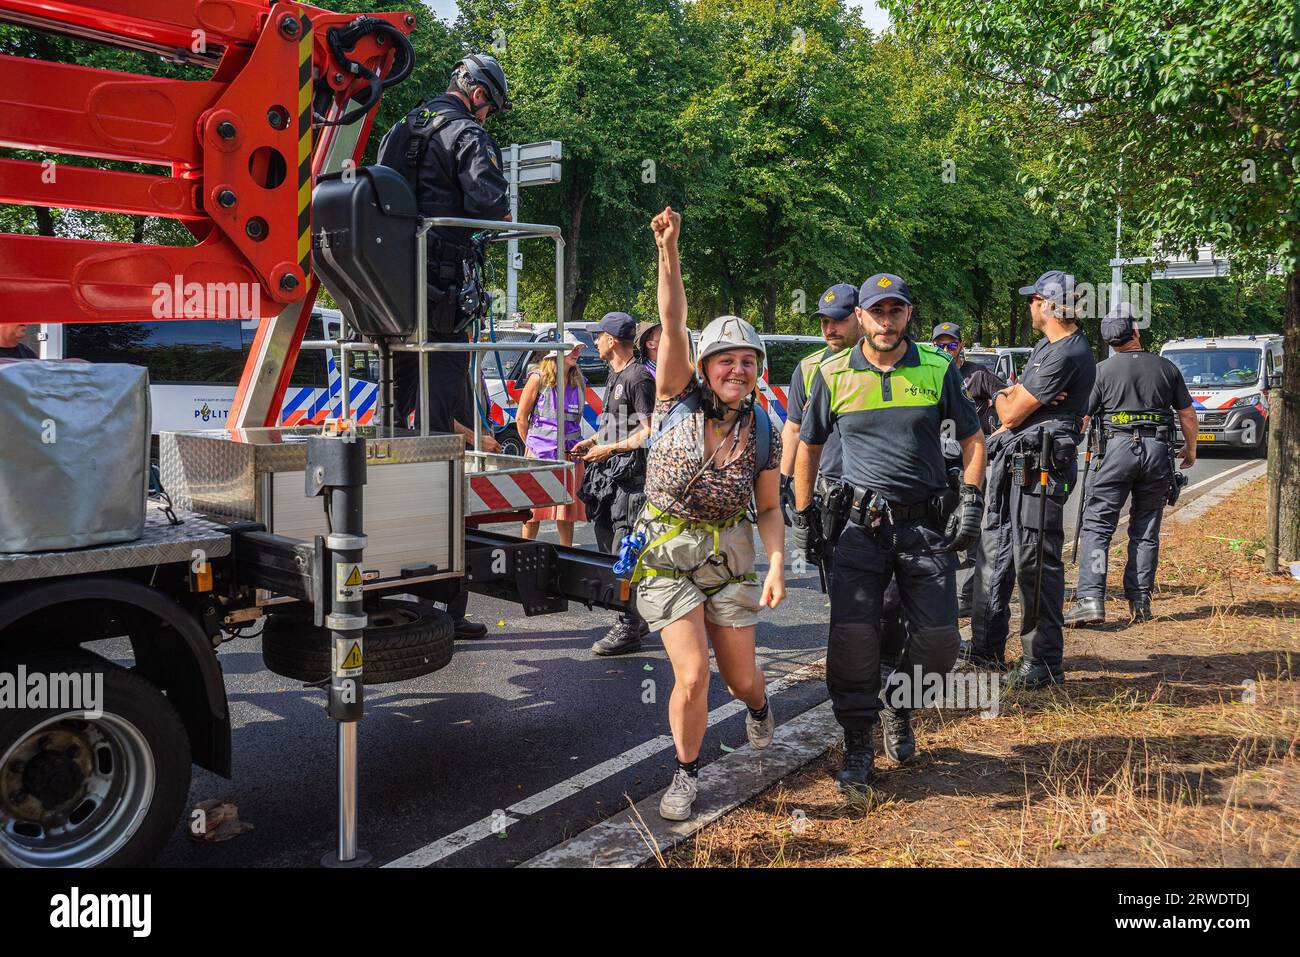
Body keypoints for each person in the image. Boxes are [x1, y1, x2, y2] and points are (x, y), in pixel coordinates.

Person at [794, 274, 985, 792]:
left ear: (907, 315)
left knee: (941, 642)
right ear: (862, 316)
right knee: (854, 639)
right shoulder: (831, 374)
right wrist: (805, 514)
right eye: (877, 311)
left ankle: (902, 706)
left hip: (924, 527)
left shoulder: (938, 367)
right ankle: (858, 742)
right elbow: (808, 447)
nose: (886, 320)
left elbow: (972, 439)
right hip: (857, 532)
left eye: (896, 310)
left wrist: (971, 500)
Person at [628, 207, 785, 822]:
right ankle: (686, 774)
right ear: (703, 366)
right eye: (726, 359)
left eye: (747, 360)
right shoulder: (673, 397)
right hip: (667, 555)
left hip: (732, 554)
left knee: (742, 676)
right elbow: (672, 320)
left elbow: (769, 506)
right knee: (693, 674)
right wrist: (669, 251)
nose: (737, 369)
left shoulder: (764, 429)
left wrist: (776, 566)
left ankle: (758, 709)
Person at [378, 53, 512, 641]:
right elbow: (489, 206)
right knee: (442, 431)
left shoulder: (402, 127)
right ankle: (443, 603)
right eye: (491, 103)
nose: (489, 113)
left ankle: (378, 562)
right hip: (443, 296)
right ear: (479, 93)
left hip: (392, 292)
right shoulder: (467, 133)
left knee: (391, 422)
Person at [960, 270, 1097, 688]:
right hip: (1013, 463)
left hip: (1039, 470)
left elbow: (1006, 411)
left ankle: (1043, 661)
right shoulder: (1047, 347)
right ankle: (986, 647)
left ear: (1050, 304)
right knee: (995, 549)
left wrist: (1007, 399)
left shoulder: (1068, 353)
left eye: (1035, 299)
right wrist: (1016, 396)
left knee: (1035, 562)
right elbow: (1015, 400)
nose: (1030, 306)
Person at [1066, 303, 1197, 625]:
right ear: (1136, 333)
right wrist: (1191, 450)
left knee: (1097, 527)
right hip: (1157, 452)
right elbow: (1187, 414)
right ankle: (1140, 602)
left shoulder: (1099, 372)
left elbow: (1081, 418)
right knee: (1146, 529)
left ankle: (1091, 599)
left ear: (1110, 342)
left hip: (1113, 451)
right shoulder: (1166, 368)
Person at [575, 311, 656, 655]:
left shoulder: (638, 378)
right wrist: (594, 442)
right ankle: (636, 616)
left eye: (598, 336)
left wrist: (609, 447)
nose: (595, 342)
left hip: (631, 484)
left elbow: (651, 431)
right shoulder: (614, 376)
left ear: (611, 340)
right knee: (608, 549)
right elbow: (616, 426)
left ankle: (627, 627)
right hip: (608, 481)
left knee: (623, 556)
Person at [932, 321, 1007, 616]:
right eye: (940, 344)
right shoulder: (928, 373)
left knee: (970, 527)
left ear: (961, 346)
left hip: (968, 462)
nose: (946, 349)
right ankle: (938, 595)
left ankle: (968, 598)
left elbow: (1007, 397)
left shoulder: (978, 374)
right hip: (936, 463)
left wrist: (1002, 429)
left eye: (951, 344)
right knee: (936, 528)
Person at [517, 334, 588, 547]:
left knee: (566, 512)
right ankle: (525, 550)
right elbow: (521, 418)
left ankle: (567, 556)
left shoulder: (579, 381)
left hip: (569, 456)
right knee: (533, 511)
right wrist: (532, 446)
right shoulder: (537, 378)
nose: (577, 352)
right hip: (541, 456)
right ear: (556, 352)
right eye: (572, 348)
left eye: (578, 349)